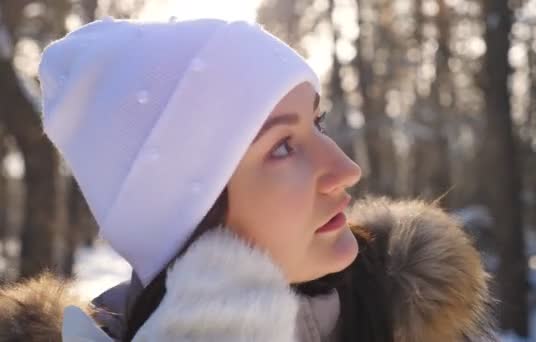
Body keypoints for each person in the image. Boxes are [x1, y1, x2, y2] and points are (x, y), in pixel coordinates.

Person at [0, 16, 496, 342]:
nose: (346, 169)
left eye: (317, 123)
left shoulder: (417, 318)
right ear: (184, 214)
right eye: (282, 146)